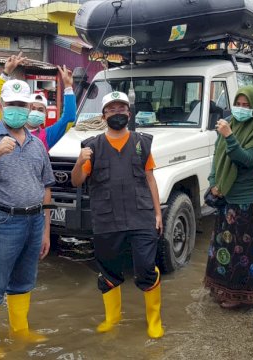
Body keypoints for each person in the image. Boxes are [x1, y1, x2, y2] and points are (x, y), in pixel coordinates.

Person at [0, 79, 55, 356]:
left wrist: (46, 230)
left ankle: (21, 331)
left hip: (34, 220)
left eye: (22, 105)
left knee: (24, 282)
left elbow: (46, 186)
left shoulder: (36, 144)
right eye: (12, 104)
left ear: (29, 108)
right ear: (2, 106)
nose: (17, 109)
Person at [70, 91, 165, 339]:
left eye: (121, 108)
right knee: (109, 271)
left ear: (129, 113)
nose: (117, 113)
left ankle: (154, 321)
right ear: (103, 116)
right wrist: (79, 162)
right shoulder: (91, 146)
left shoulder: (141, 143)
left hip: (141, 216)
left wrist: (158, 213)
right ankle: (112, 320)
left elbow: (150, 178)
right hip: (106, 218)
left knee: (146, 267)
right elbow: (76, 181)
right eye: (111, 110)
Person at [204, 86, 253, 308]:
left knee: (241, 250)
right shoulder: (229, 123)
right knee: (223, 246)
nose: (241, 109)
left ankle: (240, 295)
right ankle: (222, 287)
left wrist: (230, 137)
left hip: (246, 199)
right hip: (226, 197)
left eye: (246, 105)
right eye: (238, 104)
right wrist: (214, 182)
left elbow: (246, 159)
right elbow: (217, 156)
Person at [0, 52, 76, 150]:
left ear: (45, 115)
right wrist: (6, 72)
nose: (35, 112)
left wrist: (68, 87)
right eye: (32, 108)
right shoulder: (7, 125)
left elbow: (69, 118)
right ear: (26, 108)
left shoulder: (47, 136)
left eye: (40, 110)